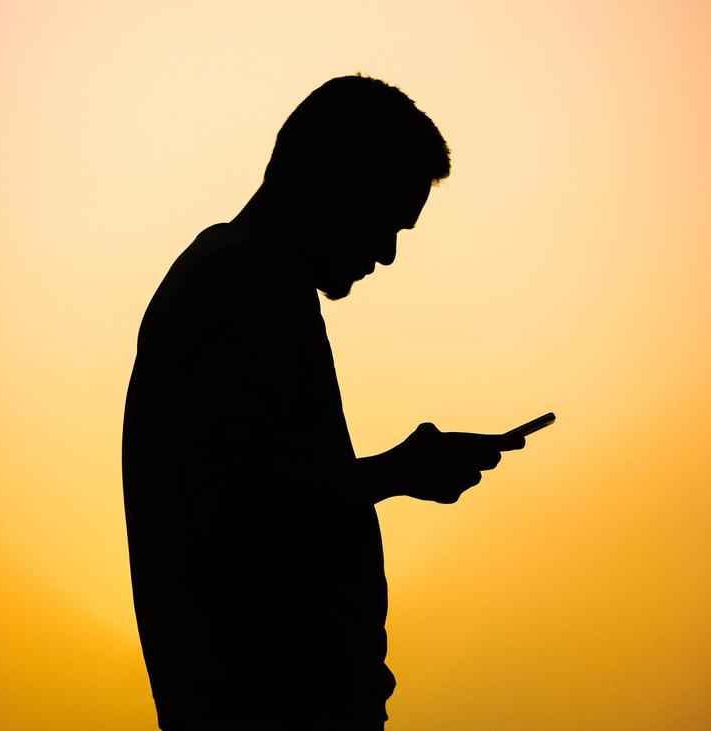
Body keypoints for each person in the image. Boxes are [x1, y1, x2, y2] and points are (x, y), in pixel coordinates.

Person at [122, 74, 526, 731]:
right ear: (323, 172)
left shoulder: (217, 270)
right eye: (384, 217)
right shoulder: (256, 278)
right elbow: (237, 505)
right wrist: (398, 471)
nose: (387, 253)